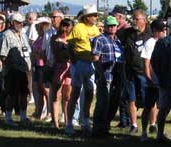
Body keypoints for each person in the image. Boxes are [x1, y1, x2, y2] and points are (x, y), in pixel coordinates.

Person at [65, 4, 101, 135]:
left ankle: (85, 120)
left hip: (91, 63)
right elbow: (70, 45)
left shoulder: (96, 29)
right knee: (75, 93)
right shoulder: (78, 28)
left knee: (90, 93)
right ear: (86, 17)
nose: (96, 17)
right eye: (94, 15)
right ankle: (69, 123)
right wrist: (74, 61)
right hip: (80, 63)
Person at [118, 9, 152, 134]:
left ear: (144, 20)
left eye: (137, 19)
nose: (134, 21)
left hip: (145, 71)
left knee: (149, 100)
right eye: (133, 18)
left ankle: (152, 124)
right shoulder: (127, 33)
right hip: (129, 71)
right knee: (131, 99)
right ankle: (133, 124)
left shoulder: (150, 33)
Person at [91, 16, 122, 137]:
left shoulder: (117, 40)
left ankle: (105, 128)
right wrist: (101, 74)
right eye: (110, 25)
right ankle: (97, 130)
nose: (112, 28)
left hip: (116, 77)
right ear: (105, 27)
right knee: (102, 103)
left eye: (114, 25)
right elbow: (95, 58)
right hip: (105, 77)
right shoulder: (99, 39)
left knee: (112, 104)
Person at [0, 13, 33, 125]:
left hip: (24, 69)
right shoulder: (6, 35)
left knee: (24, 93)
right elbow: (3, 55)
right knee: (12, 93)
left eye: (22, 22)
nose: (21, 24)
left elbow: (27, 51)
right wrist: (10, 68)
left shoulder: (23, 35)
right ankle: (8, 117)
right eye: (19, 22)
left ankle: (23, 116)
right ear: (13, 22)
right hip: (12, 70)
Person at [139, 19, 167, 142]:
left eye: (164, 29)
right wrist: (149, 78)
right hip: (152, 82)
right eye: (161, 30)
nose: (164, 32)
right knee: (148, 107)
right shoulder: (150, 43)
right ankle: (144, 132)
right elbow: (146, 63)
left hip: (162, 81)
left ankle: (159, 132)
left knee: (164, 108)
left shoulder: (165, 42)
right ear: (155, 30)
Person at [49, 18, 74, 129]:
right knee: (56, 96)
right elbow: (57, 53)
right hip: (59, 66)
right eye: (69, 27)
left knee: (67, 96)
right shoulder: (55, 39)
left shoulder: (73, 39)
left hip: (69, 68)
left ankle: (68, 121)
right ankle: (56, 123)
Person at [31, 17, 52, 121]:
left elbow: (42, 52)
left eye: (38, 28)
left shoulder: (46, 39)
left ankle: (49, 112)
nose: (36, 30)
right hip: (37, 66)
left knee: (46, 91)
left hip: (43, 66)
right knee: (39, 91)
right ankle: (39, 112)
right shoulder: (38, 39)